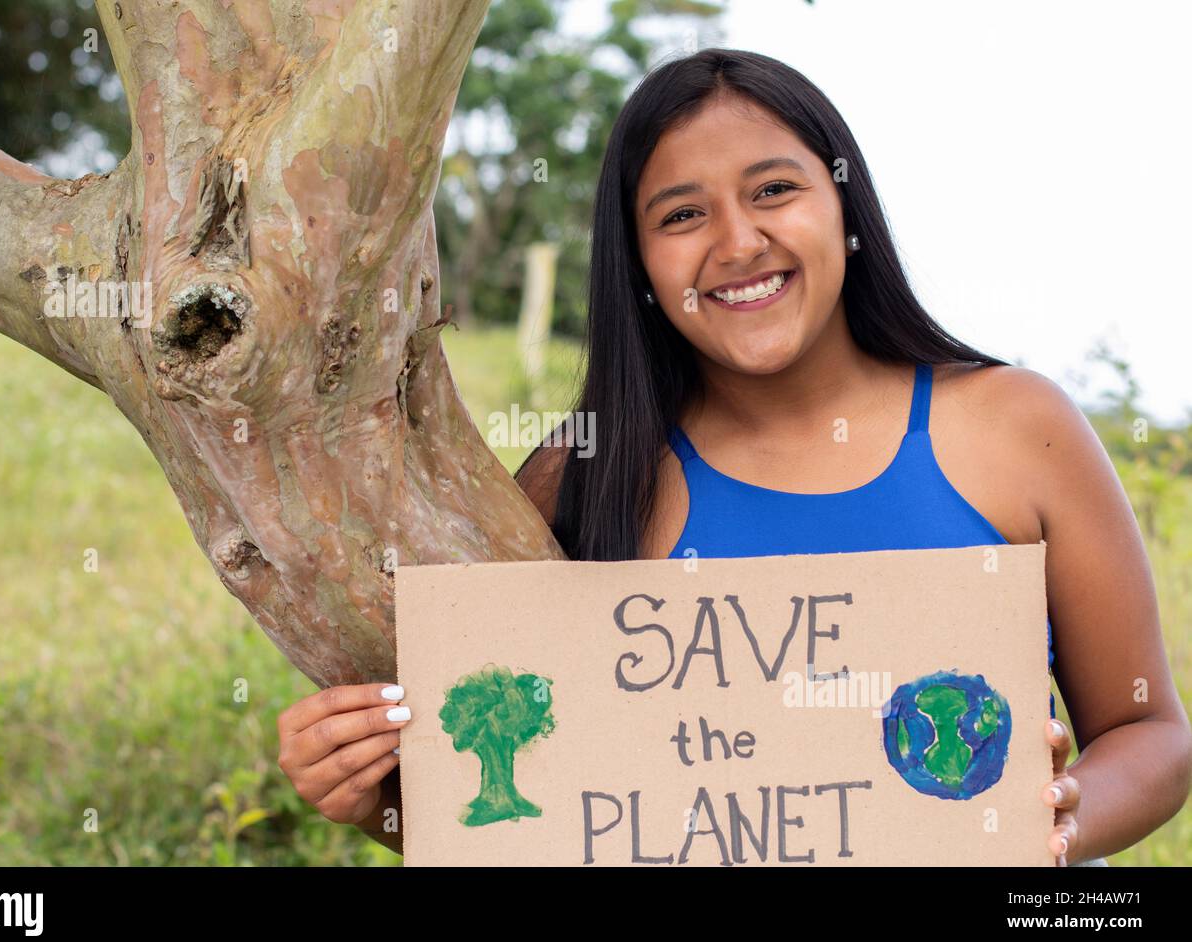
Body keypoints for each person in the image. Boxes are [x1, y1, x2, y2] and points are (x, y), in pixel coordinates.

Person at [276, 48, 1191, 865]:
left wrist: (1061, 822)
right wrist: (380, 803)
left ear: (845, 204)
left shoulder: (1015, 426)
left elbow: (1148, 730)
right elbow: (541, 816)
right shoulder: (583, 478)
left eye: (774, 190)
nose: (738, 242)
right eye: (681, 214)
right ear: (635, 259)